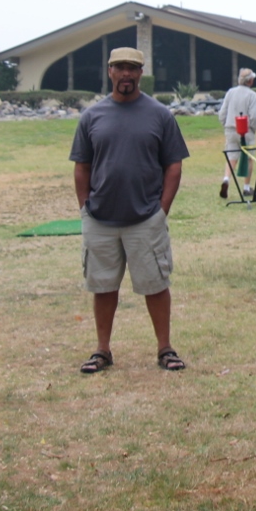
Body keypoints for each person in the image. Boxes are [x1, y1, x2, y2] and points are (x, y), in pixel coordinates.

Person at [70, 47, 190, 374]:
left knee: (155, 284)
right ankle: (102, 350)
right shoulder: (92, 117)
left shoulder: (159, 115)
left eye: (133, 68)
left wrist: (160, 211)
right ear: (109, 71)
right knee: (103, 286)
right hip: (100, 218)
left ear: (141, 73)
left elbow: (174, 166)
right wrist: (85, 209)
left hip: (145, 218)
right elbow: (81, 167)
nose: (126, 74)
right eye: (120, 68)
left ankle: (165, 348)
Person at [218, 67, 256, 202]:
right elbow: (254, 116)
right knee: (249, 158)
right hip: (246, 130)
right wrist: (254, 128)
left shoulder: (230, 92)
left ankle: (226, 179)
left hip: (231, 129)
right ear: (250, 81)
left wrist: (225, 124)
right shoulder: (252, 95)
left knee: (232, 156)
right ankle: (246, 187)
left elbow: (222, 113)